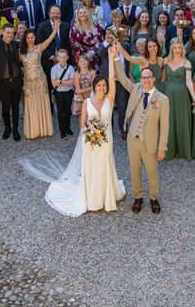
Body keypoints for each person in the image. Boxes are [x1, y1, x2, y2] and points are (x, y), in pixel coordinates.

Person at [21, 52, 125, 217]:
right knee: (91, 167)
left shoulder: (109, 100)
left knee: (105, 163)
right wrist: (90, 134)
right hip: (90, 141)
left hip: (106, 141)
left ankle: (107, 194)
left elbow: (112, 78)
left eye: (104, 86)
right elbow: (83, 124)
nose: (102, 88)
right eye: (99, 86)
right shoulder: (87, 103)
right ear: (94, 86)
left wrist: (112, 59)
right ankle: (92, 196)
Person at [113, 49, 169, 214]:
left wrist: (162, 148)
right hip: (133, 139)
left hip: (150, 142)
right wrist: (116, 57)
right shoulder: (136, 89)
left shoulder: (163, 99)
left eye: (149, 77)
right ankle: (138, 197)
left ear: (154, 79)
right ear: (141, 79)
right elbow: (122, 78)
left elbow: (165, 126)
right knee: (134, 170)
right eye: (143, 77)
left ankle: (154, 198)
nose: (146, 80)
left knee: (152, 172)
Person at [20, 25, 60, 139]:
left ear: (35, 38)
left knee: (42, 103)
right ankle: (33, 131)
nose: (30, 39)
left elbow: (48, 40)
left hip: (40, 80)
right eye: (28, 38)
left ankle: (44, 129)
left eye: (32, 37)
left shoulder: (39, 48)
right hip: (28, 82)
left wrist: (55, 30)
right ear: (25, 39)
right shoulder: (21, 51)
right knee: (31, 104)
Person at [163, 37, 195, 160]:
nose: (177, 50)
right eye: (175, 47)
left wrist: (193, 97)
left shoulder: (186, 62)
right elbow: (162, 79)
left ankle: (183, 150)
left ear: (182, 48)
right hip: (168, 94)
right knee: (169, 119)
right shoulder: (165, 61)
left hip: (183, 95)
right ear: (171, 48)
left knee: (182, 119)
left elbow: (189, 82)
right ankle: (170, 149)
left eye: (179, 47)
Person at [0, 24, 23, 141]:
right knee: (5, 107)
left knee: (15, 106)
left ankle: (15, 129)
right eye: (8, 32)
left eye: (12, 33)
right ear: (3, 32)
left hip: (16, 80)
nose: (10, 35)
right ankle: (7, 127)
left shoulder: (16, 44)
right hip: (3, 81)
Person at [36, 5, 71, 96]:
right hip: (48, 61)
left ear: (61, 14)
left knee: (63, 87)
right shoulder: (42, 26)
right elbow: (40, 44)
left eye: (58, 13)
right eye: (53, 13)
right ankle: (50, 109)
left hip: (63, 62)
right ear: (49, 14)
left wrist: (63, 58)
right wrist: (51, 57)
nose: (55, 15)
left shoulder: (66, 26)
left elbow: (68, 44)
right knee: (48, 87)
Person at [51, 49, 75, 139]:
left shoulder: (71, 68)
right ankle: (62, 130)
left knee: (68, 111)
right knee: (60, 112)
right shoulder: (53, 69)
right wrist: (66, 81)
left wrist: (60, 81)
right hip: (59, 93)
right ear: (57, 58)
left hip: (68, 92)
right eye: (60, 57)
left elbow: (72, 82)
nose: (62, 59)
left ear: (67, 57)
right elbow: (54, 84)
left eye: (64, 57)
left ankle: (67, 128)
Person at [70, 6, 103, 71]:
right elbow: (73, 43)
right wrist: (85, 57)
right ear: (78, 15)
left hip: (94, 57)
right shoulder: (74, 28)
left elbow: (100, 40)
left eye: (84, 12)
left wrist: (92, 53)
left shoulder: (96, 25)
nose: (82, 14)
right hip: (81, 60)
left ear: (88, 13)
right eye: (80, 13)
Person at [72, 55, 95, 125]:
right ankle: (82, 132)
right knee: (81, 116)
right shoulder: (77, 74)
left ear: (88, 62)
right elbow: (78, 91)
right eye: (81, 61)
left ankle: (91, 132)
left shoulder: (92, 73)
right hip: (80, 98)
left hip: (90, 96)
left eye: (85, 60)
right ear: (78, 64)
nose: (83, 62)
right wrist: (84, 101)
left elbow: (94, 87)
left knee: (91, 115)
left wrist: (82, 90)